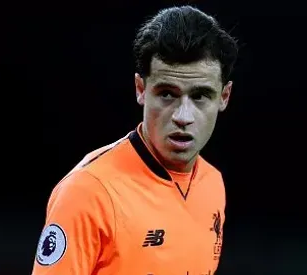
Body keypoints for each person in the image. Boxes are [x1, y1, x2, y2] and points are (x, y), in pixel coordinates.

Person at [32, 5, 238, 275]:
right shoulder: (89, 192)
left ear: (224, 96)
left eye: (200, 96)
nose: (183, 116)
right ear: (141, 89)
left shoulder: (213, 183)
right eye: (167, 94)